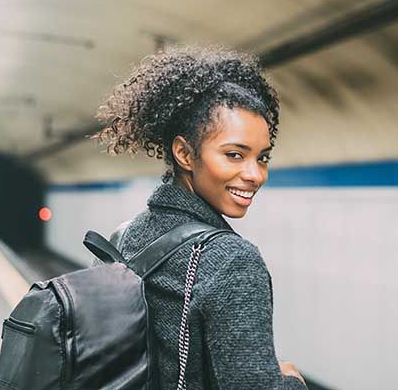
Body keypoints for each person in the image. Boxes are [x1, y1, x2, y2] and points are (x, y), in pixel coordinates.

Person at [95, 45, 307, 390]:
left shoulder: (124, 237)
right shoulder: (232, 262)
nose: (255, 174)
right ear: (184, 153)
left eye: (263, 158)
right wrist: (291, 383)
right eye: (234, 155)